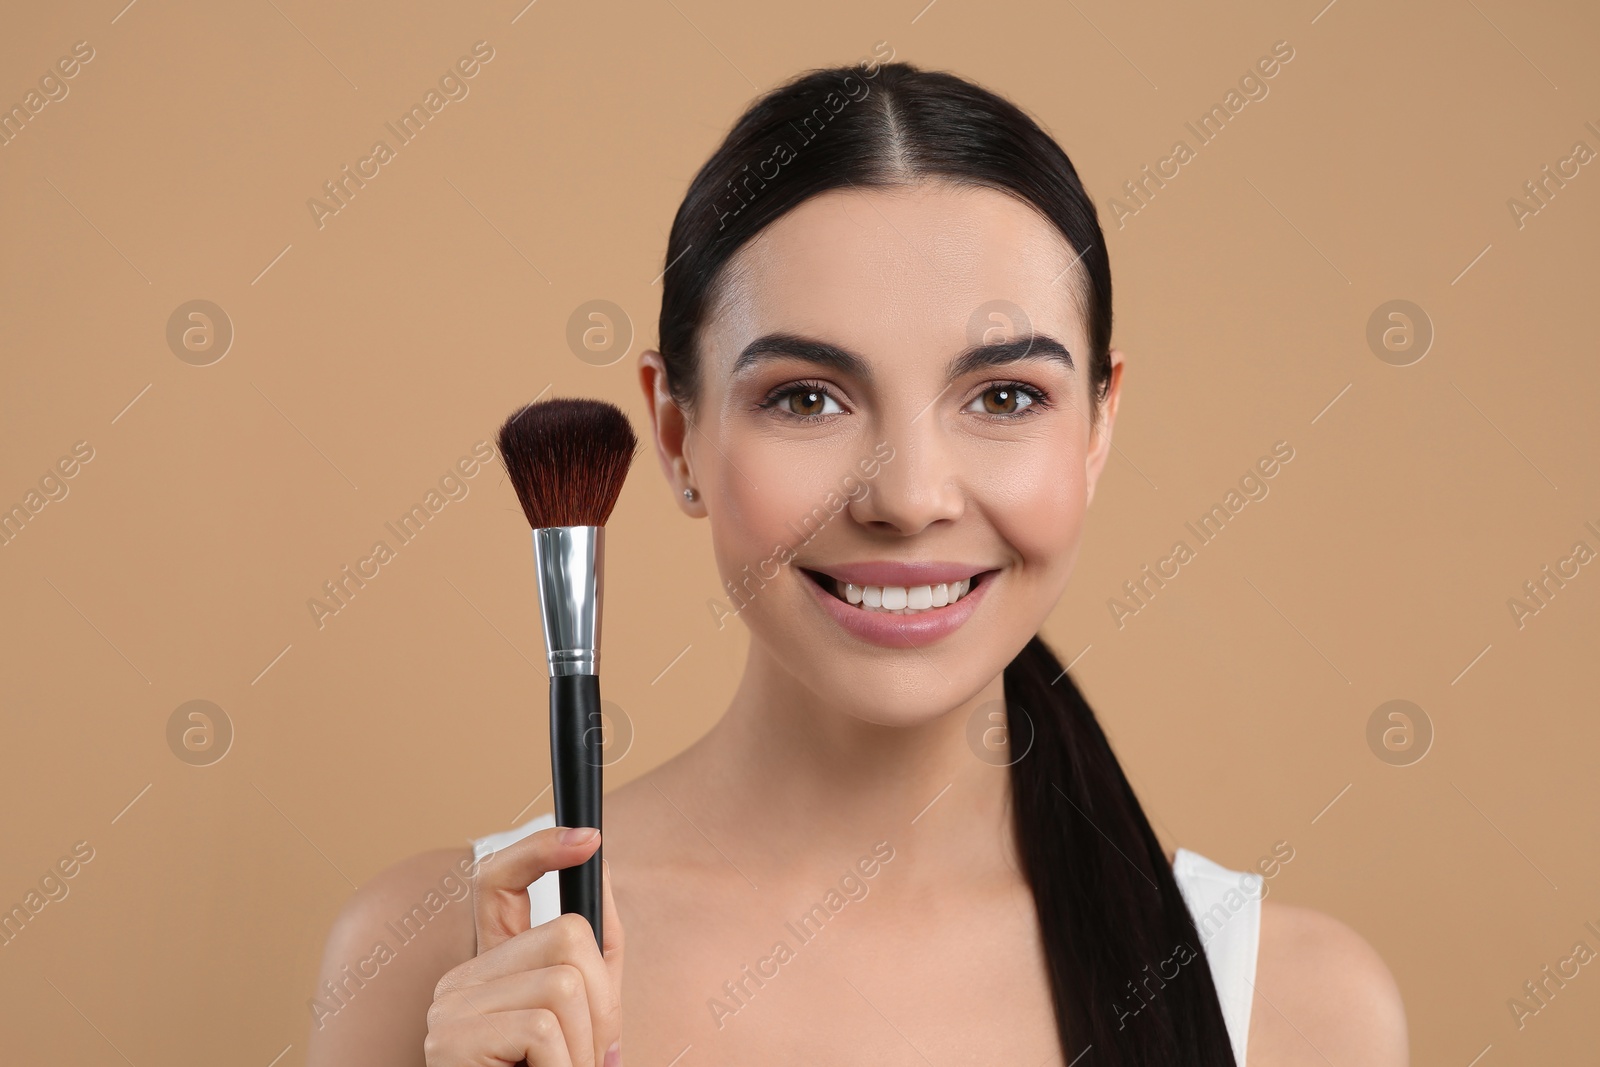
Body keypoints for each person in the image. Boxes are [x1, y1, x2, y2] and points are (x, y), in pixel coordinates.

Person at [306, 59, 1408, 1067]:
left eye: (1004, 395)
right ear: (676, 434)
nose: (909, 496)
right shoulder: (436, 964)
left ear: (1097, 424)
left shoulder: (1294, 1009)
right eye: (806, 397)